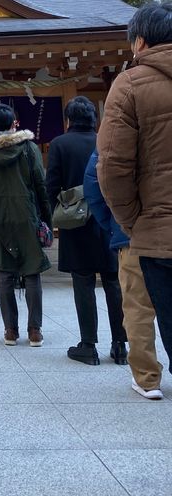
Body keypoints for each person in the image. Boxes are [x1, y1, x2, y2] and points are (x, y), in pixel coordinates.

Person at [97, 0, 172, 375]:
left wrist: (133, 222)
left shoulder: (130, 84)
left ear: (139, 42)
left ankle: (147, 377)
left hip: (159, 231)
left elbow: (111, 168)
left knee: (145, 307)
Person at [46, 95, 127, 366]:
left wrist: (54, 214)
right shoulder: (106, 139)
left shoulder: (59, 144)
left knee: (83, 282)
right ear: (94, 117)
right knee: (114, 282)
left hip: (75, 221)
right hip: (108, 219)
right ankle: (120, 345)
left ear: (69, 119)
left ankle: (88, 345)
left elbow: (52, 185)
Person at [84, 150, 163, 398]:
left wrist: (116, 224)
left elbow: (96, 183)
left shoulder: (118, 131)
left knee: (138, 309)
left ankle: (147, 378)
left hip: (132, 234)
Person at [0, 103, 52, 346]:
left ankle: (10, 331)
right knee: (31, 272)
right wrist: (46, 219)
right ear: (14, 123)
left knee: (4, 273)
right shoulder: (28, 148)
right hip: (25, 214)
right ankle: (35, 331)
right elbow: (40, 183)